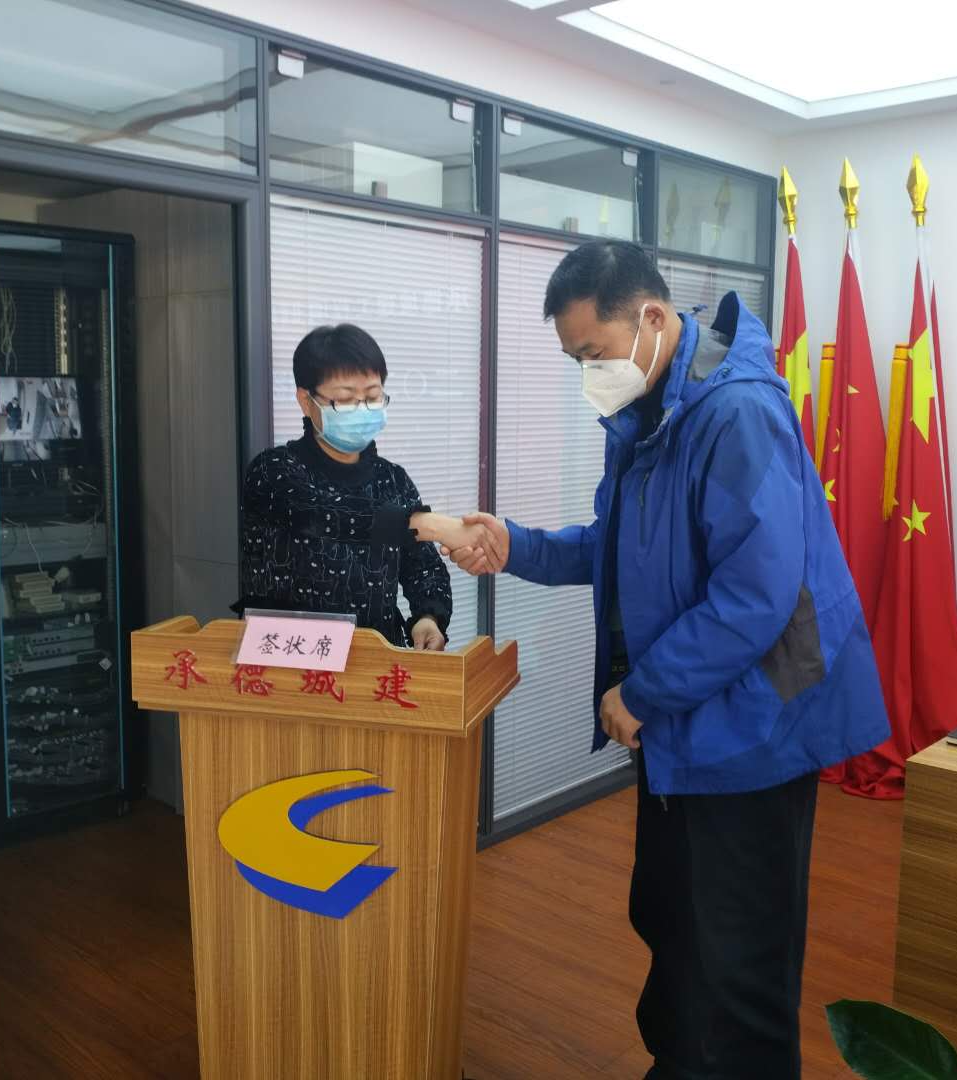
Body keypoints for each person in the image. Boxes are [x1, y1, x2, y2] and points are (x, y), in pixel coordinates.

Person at [444, 241, 888, 1080]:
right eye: (575, 360)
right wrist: (515, 545)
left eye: (593, 353)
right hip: (690, 723)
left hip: (751, 729)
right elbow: (620, 547)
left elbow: (753, 596)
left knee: (740, 950)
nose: (588, 375)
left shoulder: (735, 413)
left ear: (651, 317)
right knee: (674, 916)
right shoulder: (652, 409)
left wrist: (641, 693)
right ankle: (683, 1062)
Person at [237, 323, 484, 650]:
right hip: (289, 658)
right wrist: (431, 524)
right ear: (306, 401)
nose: (363, 409)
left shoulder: (392, 479)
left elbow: (424, 568)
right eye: (345, 400)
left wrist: (428, 618)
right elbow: (326, 515)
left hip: (374, 661)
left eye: (372, 397)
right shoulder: (273, 470)